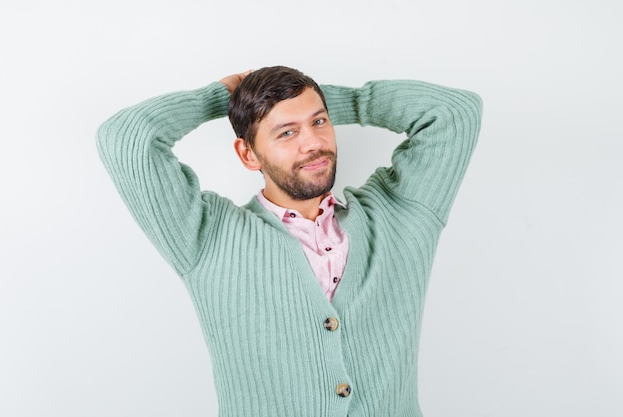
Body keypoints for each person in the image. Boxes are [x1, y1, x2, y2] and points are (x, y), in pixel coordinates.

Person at [97, 65, 482, 417]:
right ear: (248, 154)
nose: (313, 142)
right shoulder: (205, 237)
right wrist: (222, 99)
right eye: (287, 132)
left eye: (320, 122)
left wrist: (332, 100)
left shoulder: (400, 214)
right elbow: (126, 137)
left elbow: (455, 112)